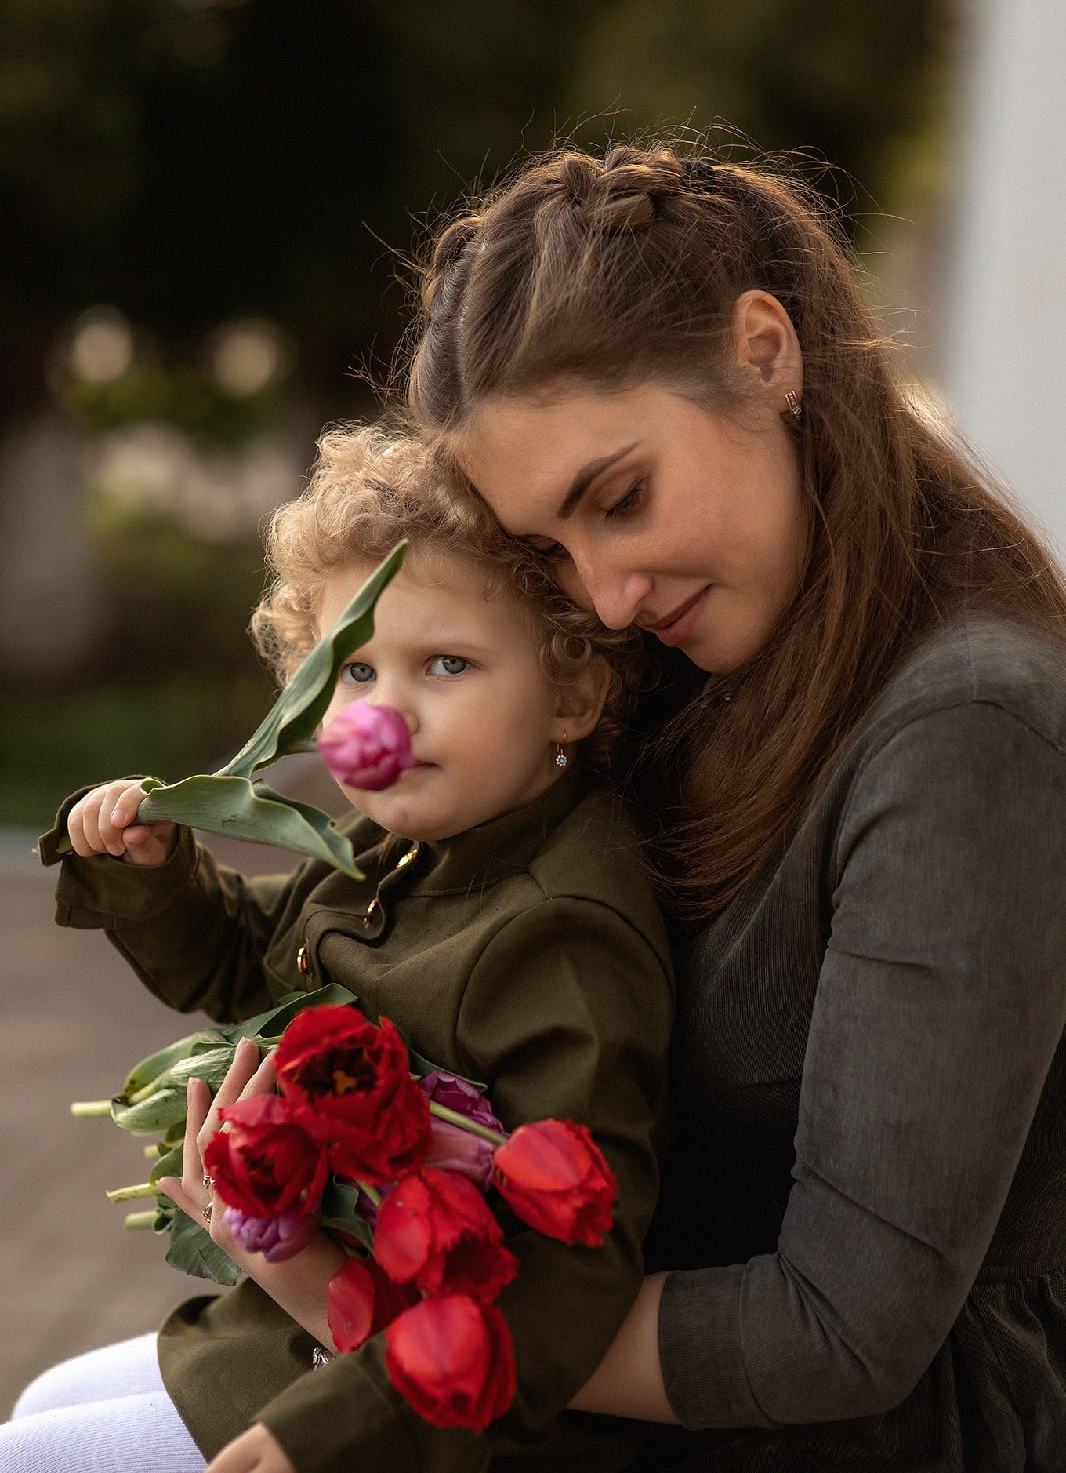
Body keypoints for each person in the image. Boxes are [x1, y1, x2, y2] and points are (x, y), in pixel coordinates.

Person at [401, 141, 1066, 1470]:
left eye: (620, 499)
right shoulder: (675, 676)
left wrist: (405, 1336)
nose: (600, 594)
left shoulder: (968, 727)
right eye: (548, 547)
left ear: (763, 352)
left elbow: (841, 1328)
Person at [18, 426, 675, 1473]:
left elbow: (572, 1273)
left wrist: (328, 1435)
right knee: (48, 1394)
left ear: (571, 691)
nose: (387, 712)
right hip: (296, 1326)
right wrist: (151, 872)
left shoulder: (561, 936)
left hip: (397, 1400)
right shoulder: (408, 841)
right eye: (354, 669)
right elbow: (244, 965)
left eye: (446, 663)